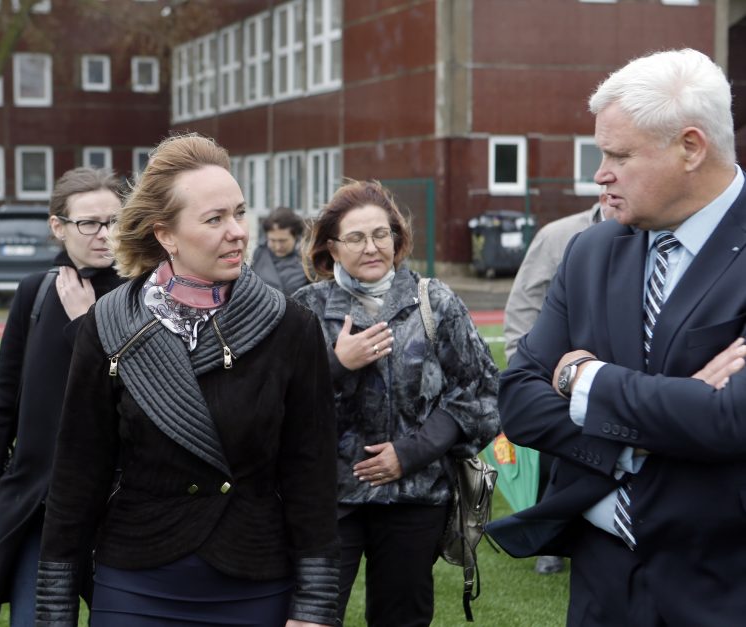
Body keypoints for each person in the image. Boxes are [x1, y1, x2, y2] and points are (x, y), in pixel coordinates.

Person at [34, 133, 340, 627]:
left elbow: (314, 476)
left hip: (255, 576)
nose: (238, 231)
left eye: (240, 213)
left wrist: (316, 608)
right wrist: (55, 610)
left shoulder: (291, 327)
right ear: (166, 235)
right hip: (136, 580)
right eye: (215, 219)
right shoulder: (108, 324)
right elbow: (77, 475)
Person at [488, 48, 746, 626]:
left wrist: (585, 378)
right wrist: (654, 426)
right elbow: (520, 400)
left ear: (690, 147)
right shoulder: (592, 249)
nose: (599, 174)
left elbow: (733, 419)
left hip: (722, 585)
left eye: (617, 155)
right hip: (602, 587)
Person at [292, 180, 500, 627]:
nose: (372, 247)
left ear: (397, 237)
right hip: (327, 500)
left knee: (401, 619)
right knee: (311, 617)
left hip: (414, 498)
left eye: (381, 234)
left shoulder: (434, 301)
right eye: (356, 237)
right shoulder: (305, 309)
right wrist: (335, 365)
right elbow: (275, 406)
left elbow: (481, 392)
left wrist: (411, 453)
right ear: (331, 246)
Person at [0, 167, 125, 624]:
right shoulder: (34, 292)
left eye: (114, 221)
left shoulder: (142, 294)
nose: (104, 235)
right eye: (89, 223)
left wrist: (88, 325)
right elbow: (5, 395)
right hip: (39, 500)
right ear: (58, 227)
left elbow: (135, 388)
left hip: (116, 504)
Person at [500, 192, 613, 575]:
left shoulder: (649, 232)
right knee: (557, 460)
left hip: (613, 377)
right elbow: (524, 301)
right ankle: (549, 538)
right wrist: (525, 368)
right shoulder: (558, 235)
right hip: (557, 375)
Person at [252, 206, 310, 296]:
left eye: (283, 241)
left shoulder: (307, 258)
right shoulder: (259, 253)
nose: (278, 246)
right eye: (272, 240)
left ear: (295, 237)